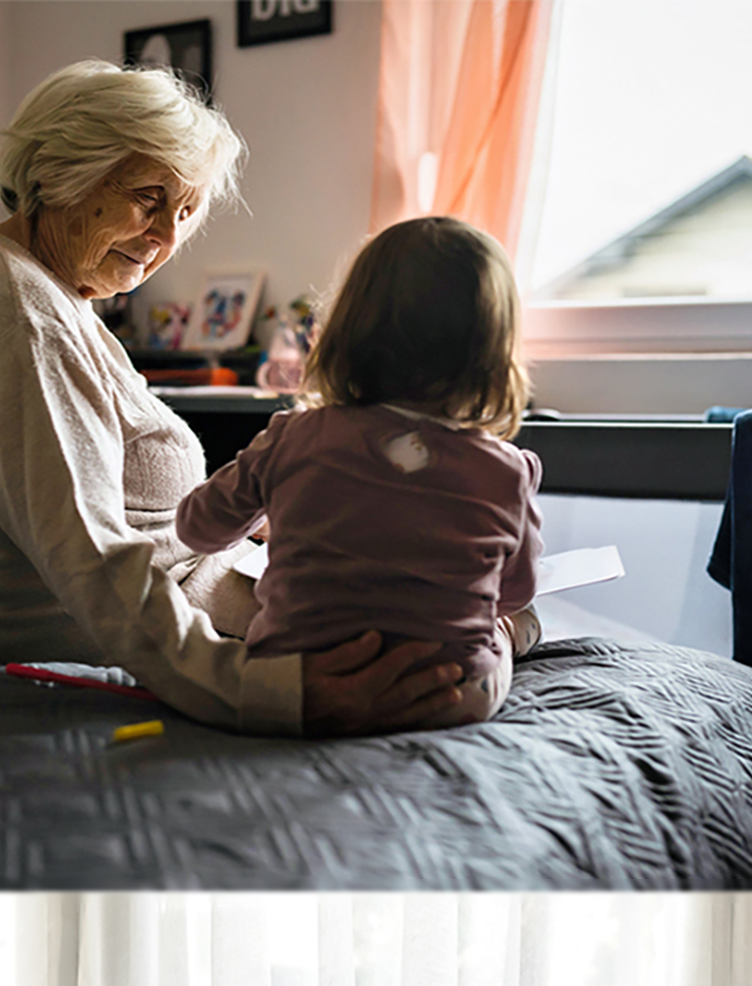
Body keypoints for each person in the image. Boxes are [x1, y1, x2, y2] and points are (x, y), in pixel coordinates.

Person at [0, 60, 468, 736]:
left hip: (181, 585)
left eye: (184, 212)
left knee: (434, 583)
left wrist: (249, 518)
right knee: (460, 623)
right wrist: (265, 694)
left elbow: (104, 495)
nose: (167, 239)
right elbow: (87, 552)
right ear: (58, 172)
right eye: (150, 198)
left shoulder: (50, 297)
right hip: (67, 636)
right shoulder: (8, 307)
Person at [176, 216, 546, 726]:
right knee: (515, 621)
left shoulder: (293, 438)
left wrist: (266, 506)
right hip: (445, 691)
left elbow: (197, 528)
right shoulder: (507, 472)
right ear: (491, 352)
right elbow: (514, 590)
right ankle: (517, 637)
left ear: (348, 329)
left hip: (297, 676)